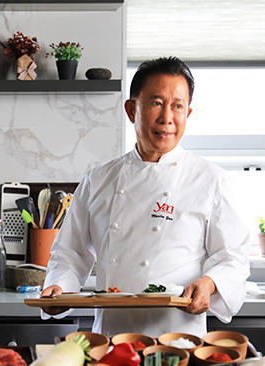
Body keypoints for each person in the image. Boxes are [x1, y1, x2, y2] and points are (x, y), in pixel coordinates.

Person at [40, 56, 250, 338]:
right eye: (156, 103)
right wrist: (59, 288)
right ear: (131, 110)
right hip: (111, 340)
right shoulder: (98, 180)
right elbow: (70, 253)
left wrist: (210, 283)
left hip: (177, 342)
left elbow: (232, 258)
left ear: (187, 113)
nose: (167, 118)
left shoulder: (212, 180)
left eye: (177, 106)